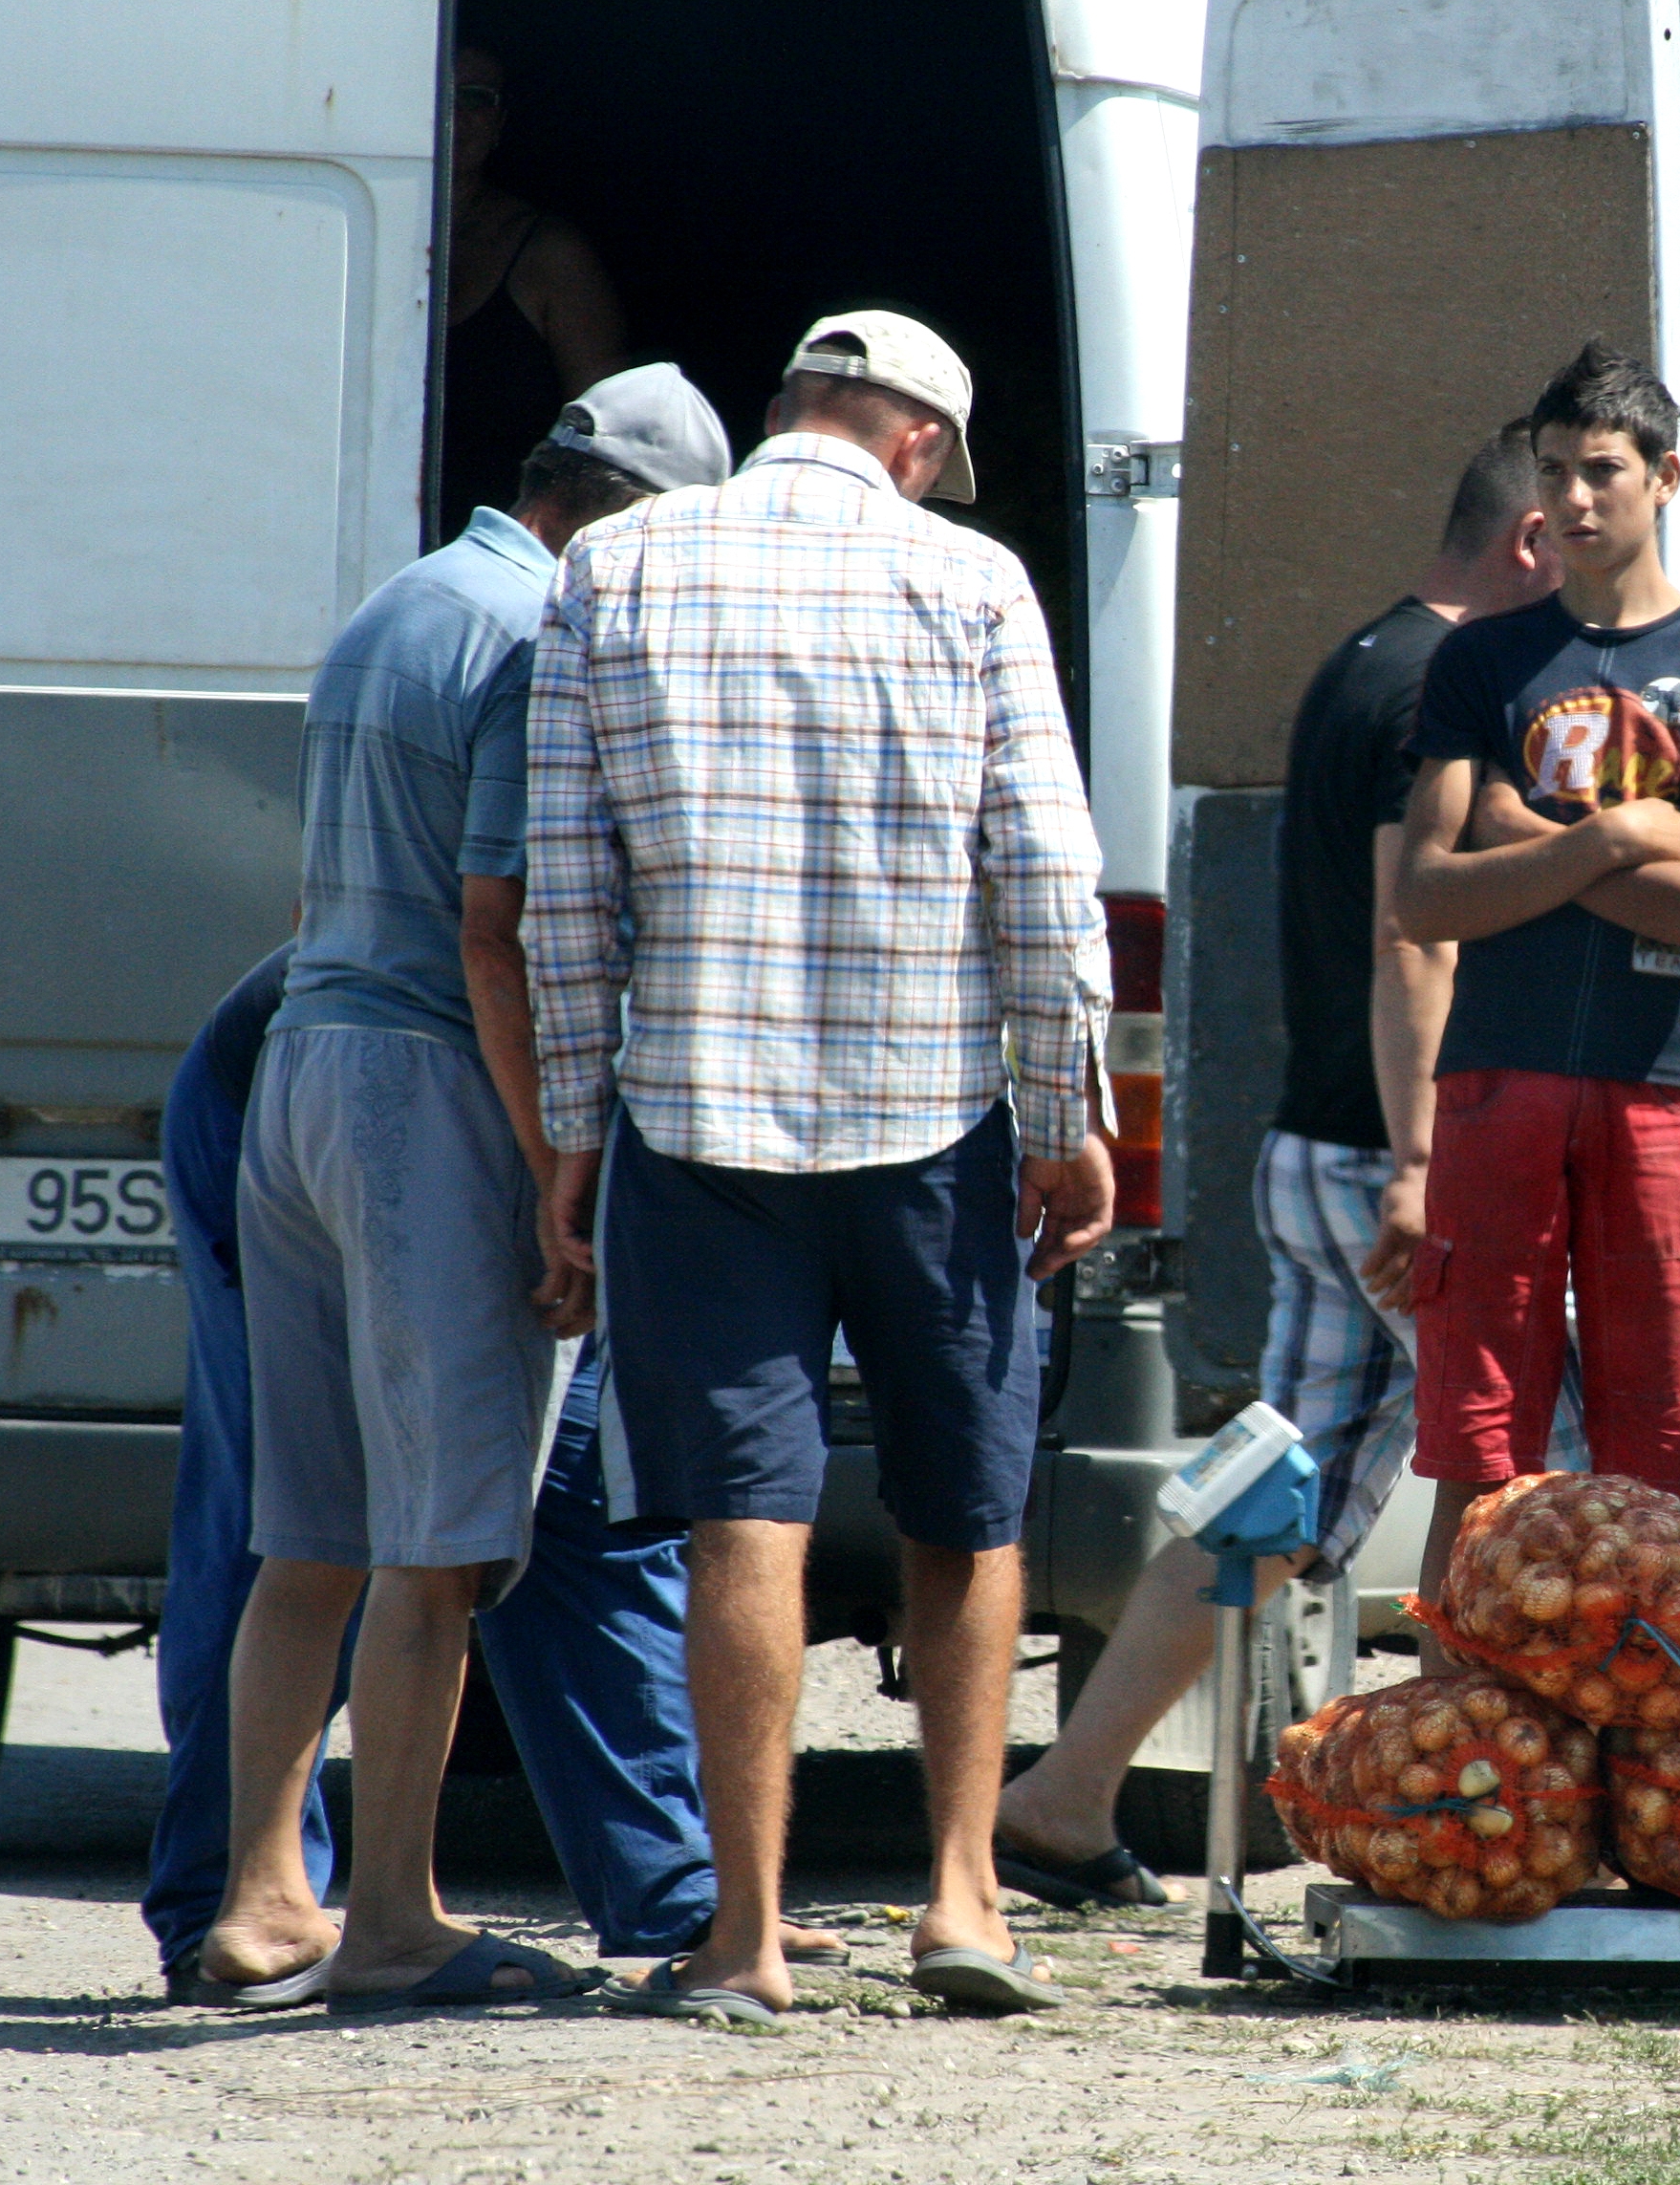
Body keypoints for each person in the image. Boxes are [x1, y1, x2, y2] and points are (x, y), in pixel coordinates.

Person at [527, 312, 1115, 2028]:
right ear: (920, 440)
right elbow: (1042, 871)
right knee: (967, 1512)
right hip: (933, 1120)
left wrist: (571, 1130)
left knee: (741, 1519)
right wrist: (1064, 1114)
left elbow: (568, 882)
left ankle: (747, 1939)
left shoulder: (614, 567)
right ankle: (963, 1899)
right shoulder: (973, 580)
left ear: (786, 406)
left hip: (694, 1117)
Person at [194, 364, 737, 2010]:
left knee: (310, 1534)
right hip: (428, 1090)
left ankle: (260, 1899)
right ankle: (395, 1923)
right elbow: (496, 933)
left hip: (302, 1067)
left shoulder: (404, 600)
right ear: (626, 515)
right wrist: (562, 1161)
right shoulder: (535, 632)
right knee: (441, 1549)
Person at [985, 422, 1585, 1905]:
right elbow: (1414, 936)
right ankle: (1475, 1819)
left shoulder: (1357, 664)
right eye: (1573, 545)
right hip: (1396, 1159)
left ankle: (1065, 1794)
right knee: (1549, 1479)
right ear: (1526, 541)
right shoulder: (1441, 691)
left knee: (1282, 1491)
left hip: (1322, 1145)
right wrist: (1427, 1159)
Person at [147, 939, 840, 2001]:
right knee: (303, 1516)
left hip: (457, 1087)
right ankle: (236, 1905)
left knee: (573, 1486)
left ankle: (672, 1889)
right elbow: (501, 944)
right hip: (367, 1090)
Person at [1394, 338, 1680, 1596]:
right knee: (1477, 1449)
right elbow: (1421, 894)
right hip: (1496, 1078)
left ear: (1663, 478)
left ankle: (1656, 1702)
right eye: (1554, 470)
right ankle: (1468, 1703)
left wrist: (1526, 838)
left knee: (1664, 1454)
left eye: (1601, 470)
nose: (1572, 498)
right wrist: (1619, 838)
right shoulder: (1480, 661)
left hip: (1657, 1076)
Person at [436, 45, 629, 537]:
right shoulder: (341, 235)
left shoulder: (549, 255)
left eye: (475, 97)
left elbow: (607, 434)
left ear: (500, 124)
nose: (453, 112)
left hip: (508, 548)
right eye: (434, 91)